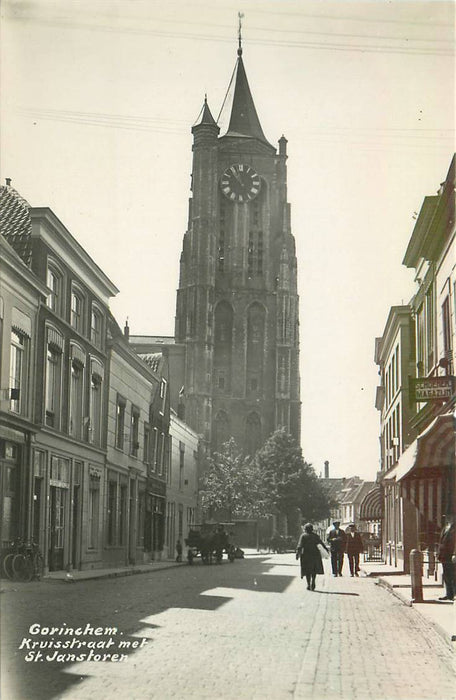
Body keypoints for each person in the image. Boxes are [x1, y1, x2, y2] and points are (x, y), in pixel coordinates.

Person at [296, 523, 329, 591]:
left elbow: (300, 545)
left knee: (307, 570)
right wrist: (326, 550)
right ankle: (313, 581)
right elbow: (321, 543)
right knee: (314, 570)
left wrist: (297, 554)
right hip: (315, 555)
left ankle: (308, 584)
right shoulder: (315, 536)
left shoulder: (303, 536)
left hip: (306, 555)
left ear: (305, 529)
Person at [437, 515, 455, 601]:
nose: (448, 519)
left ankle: (454, 595)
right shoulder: (445, 528)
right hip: (444, 556)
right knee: (446, 576)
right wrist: (439, 554)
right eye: (447, 517)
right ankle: (448, 594)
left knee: (453, 576)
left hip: (451, 556)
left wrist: (455, 554)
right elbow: (441, 542)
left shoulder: (454, 529)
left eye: (450, 517)